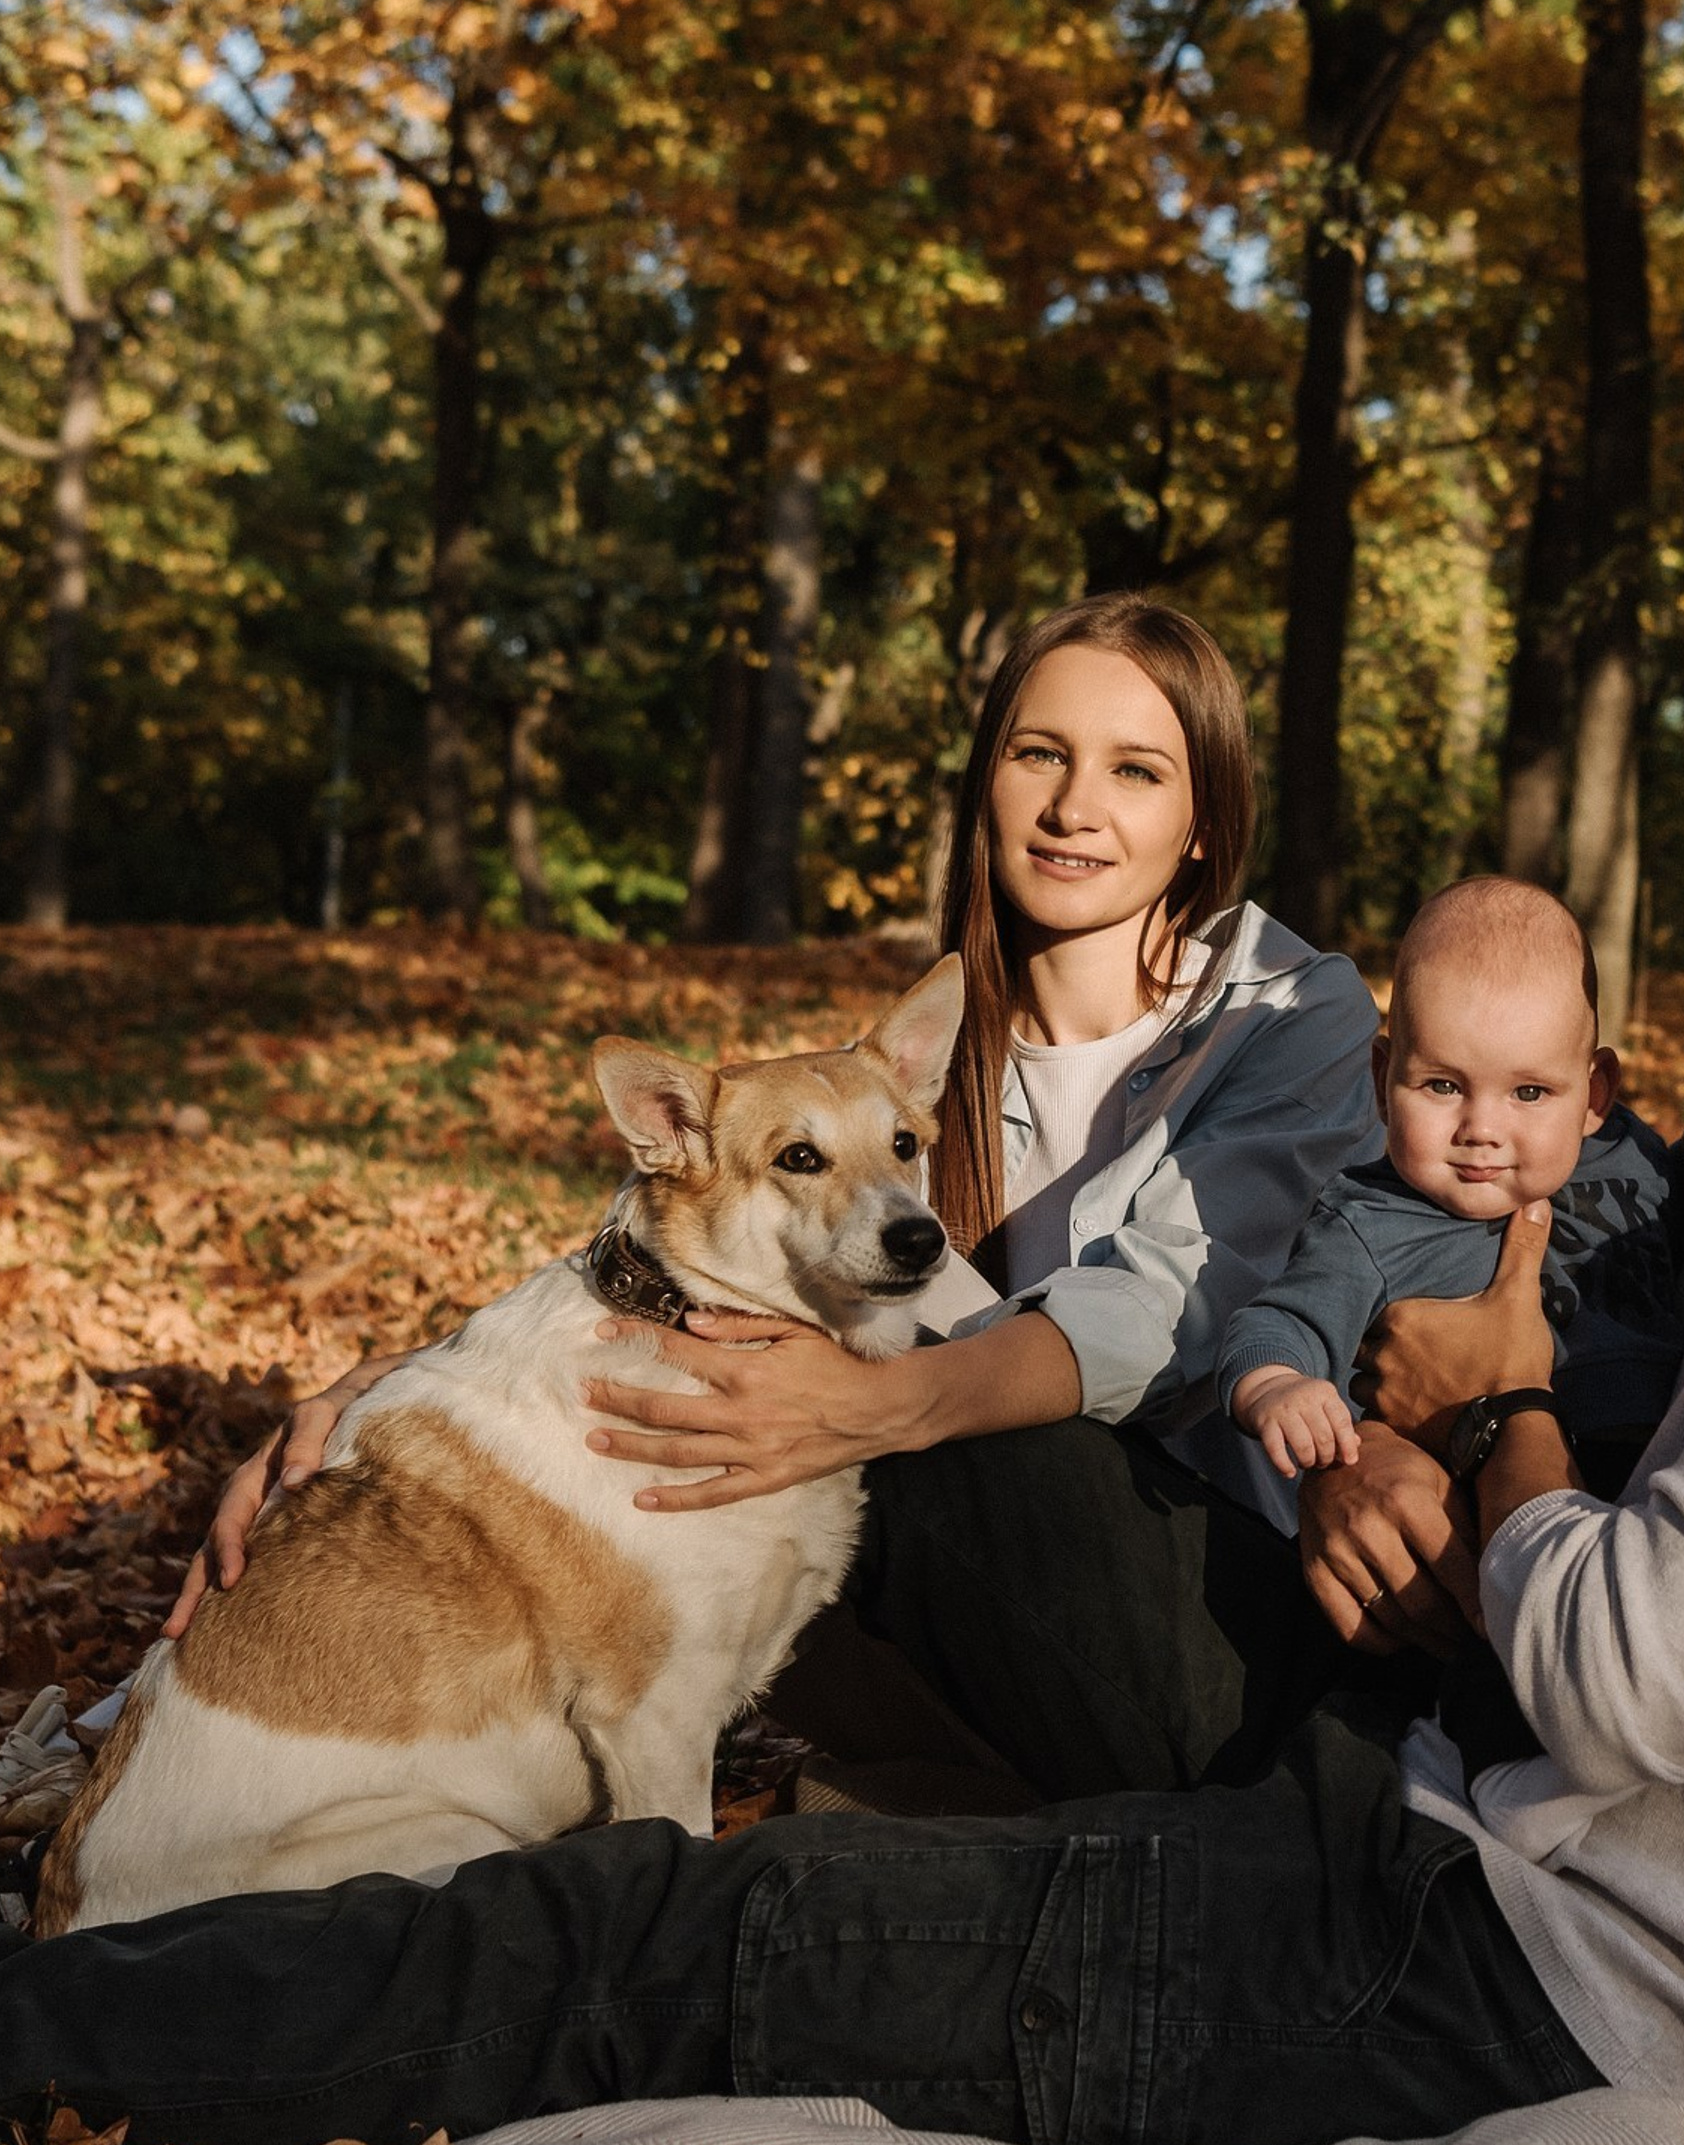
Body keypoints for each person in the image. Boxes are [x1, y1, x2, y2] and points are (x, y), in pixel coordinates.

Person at [0, 552, 1684, 2145]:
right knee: (729, 1816)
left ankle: (46, 2019)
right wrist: (397, 1408)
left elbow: (1635, 1666)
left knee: (652, 1944)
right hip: (1438, 1801)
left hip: (1500, 1958)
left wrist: (1496, 1405)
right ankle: (177, 1791)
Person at [164, 589, 1381, 1655]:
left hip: (1219, 1586)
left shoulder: (1292, 1011)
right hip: (981, 1587)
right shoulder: (917, 1058)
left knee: (914, 1429)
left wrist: (886, 1404)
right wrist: (386, 1405)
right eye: (1037, 755)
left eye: (1135, 769)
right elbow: (684, 1278)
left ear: (1203, 820)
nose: (1072, 806)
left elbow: (1164, 1310)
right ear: (987, 784)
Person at [1220, 874, 1684, 1491]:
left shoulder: (1623, 1152)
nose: (1482, 1129)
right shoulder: (1372, 1223)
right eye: (1443, 1085)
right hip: (1492, 1497)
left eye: (1529, 1092)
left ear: (1594, 1095)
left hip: (1677, 1468)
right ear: (1384, 1081)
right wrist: (1276, 1385)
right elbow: (1280, 1322)